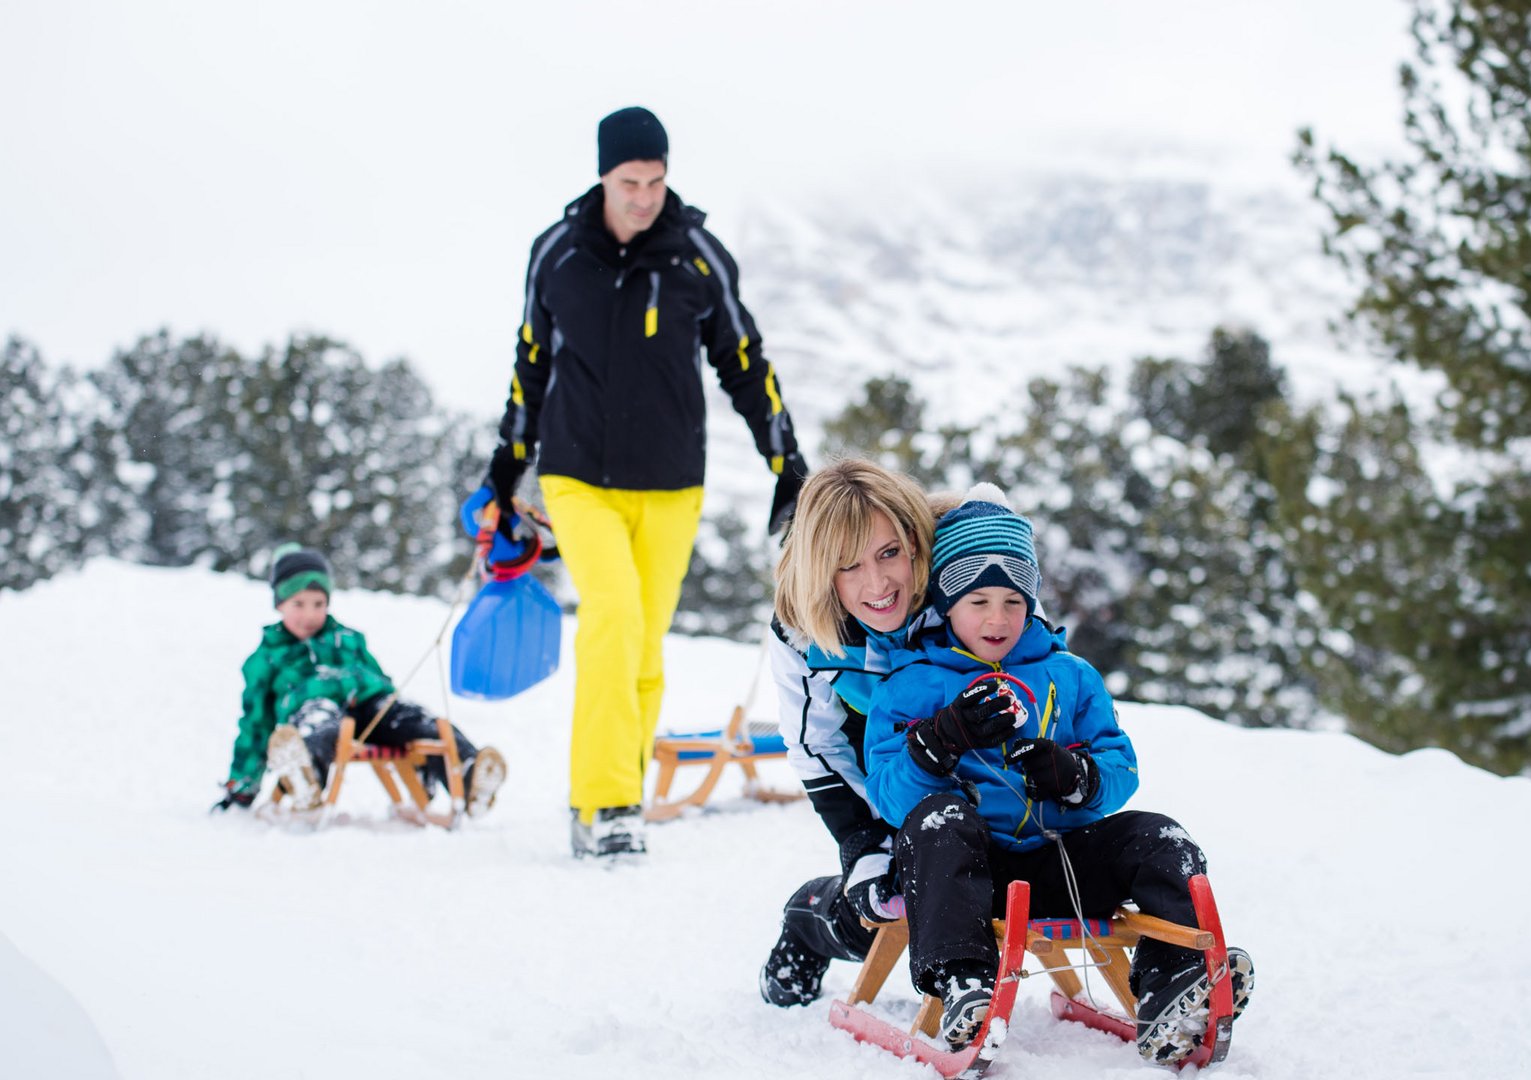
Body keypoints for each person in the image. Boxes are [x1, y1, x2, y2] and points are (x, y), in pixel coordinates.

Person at [479, 106, 808, 859]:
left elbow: (744, 360)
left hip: (670, 483)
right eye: (631, 182)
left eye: (657, 181)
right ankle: (603, 800)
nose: (645, 196)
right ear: (603, 176)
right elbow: (531, 357)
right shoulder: (557, 253)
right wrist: (507, 465)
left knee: (644, 645)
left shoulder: (696, 256)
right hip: (576, 475)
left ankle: (616, 806)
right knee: (615, 617)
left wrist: (785, 460)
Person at [863, 488, 1254, 1064]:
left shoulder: (1070, 677)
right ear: (946, 602)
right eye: (978, 600)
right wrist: (937, 743)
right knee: (938, 821)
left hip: (1060, 863)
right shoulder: (910, 685)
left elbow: (1120, 765)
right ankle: (963, 984)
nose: (998, 618)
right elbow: (889, 796)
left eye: (1013, 601)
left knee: (1157, 836)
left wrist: (1079, 777)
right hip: (968, 878)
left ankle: (1175, 982)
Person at [756, 460, 941, 1007]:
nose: (878, 584)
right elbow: (818, 746)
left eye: (889, 553)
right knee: (888, 907)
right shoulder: (802, 626)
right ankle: (812, 920)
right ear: (821, 572)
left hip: (973, 747)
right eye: (848, 566)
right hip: (877, 763)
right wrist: (867, 844)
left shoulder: (974, 576)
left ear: (913, 539)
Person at [213, 544, 508, 818]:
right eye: (298, 604)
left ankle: (471, 775)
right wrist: (242, 785)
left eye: (318, 604)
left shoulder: (348, 639)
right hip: (315, 709)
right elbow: (255, 724)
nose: (310, 614)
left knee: (419, 720)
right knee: (317, 724)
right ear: (279, 604)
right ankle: (305, 777)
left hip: (370, 706)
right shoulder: (267, 657)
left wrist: (391, 704)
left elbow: (380, 678)